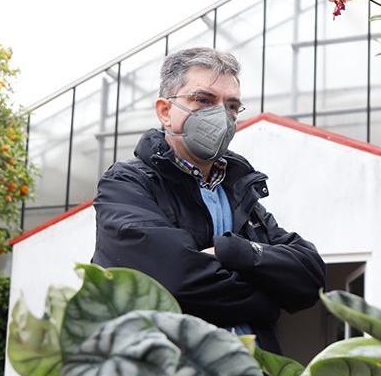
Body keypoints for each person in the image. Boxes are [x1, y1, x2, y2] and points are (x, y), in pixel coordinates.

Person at [91, 47, 325, 353]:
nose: (221, 115)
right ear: (165, 111)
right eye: (204, 100)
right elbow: (176, 282)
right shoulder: (127, 185)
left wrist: (234, 249)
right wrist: (269, 300)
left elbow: (310, 277)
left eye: (231, 106)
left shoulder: (240, 191)